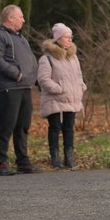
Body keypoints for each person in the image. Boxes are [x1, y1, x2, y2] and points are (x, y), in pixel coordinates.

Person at [0, 4, 41, 176]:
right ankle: (1, 163)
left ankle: (23, 162)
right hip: (10, 87)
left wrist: (36, 80)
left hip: (25, 87)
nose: (23, 20)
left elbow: (30, 61)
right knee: (7, 125)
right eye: (21, 17)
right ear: (10, 18)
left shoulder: (20, 38)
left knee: (23, 126)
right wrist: (16, 74)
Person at [37, 23, 86, 168]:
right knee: (55, 127)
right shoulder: (47, 58)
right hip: (55, 99)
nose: (69, 40)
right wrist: (58, 89)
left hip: (72, 98)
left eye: (70, 37)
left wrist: (81, 86)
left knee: (69, 127)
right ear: (58, 38)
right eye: (66, 37)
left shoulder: (73, 57)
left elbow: (78, 74)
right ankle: (55, 156)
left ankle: (69, 156)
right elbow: (43, 79)